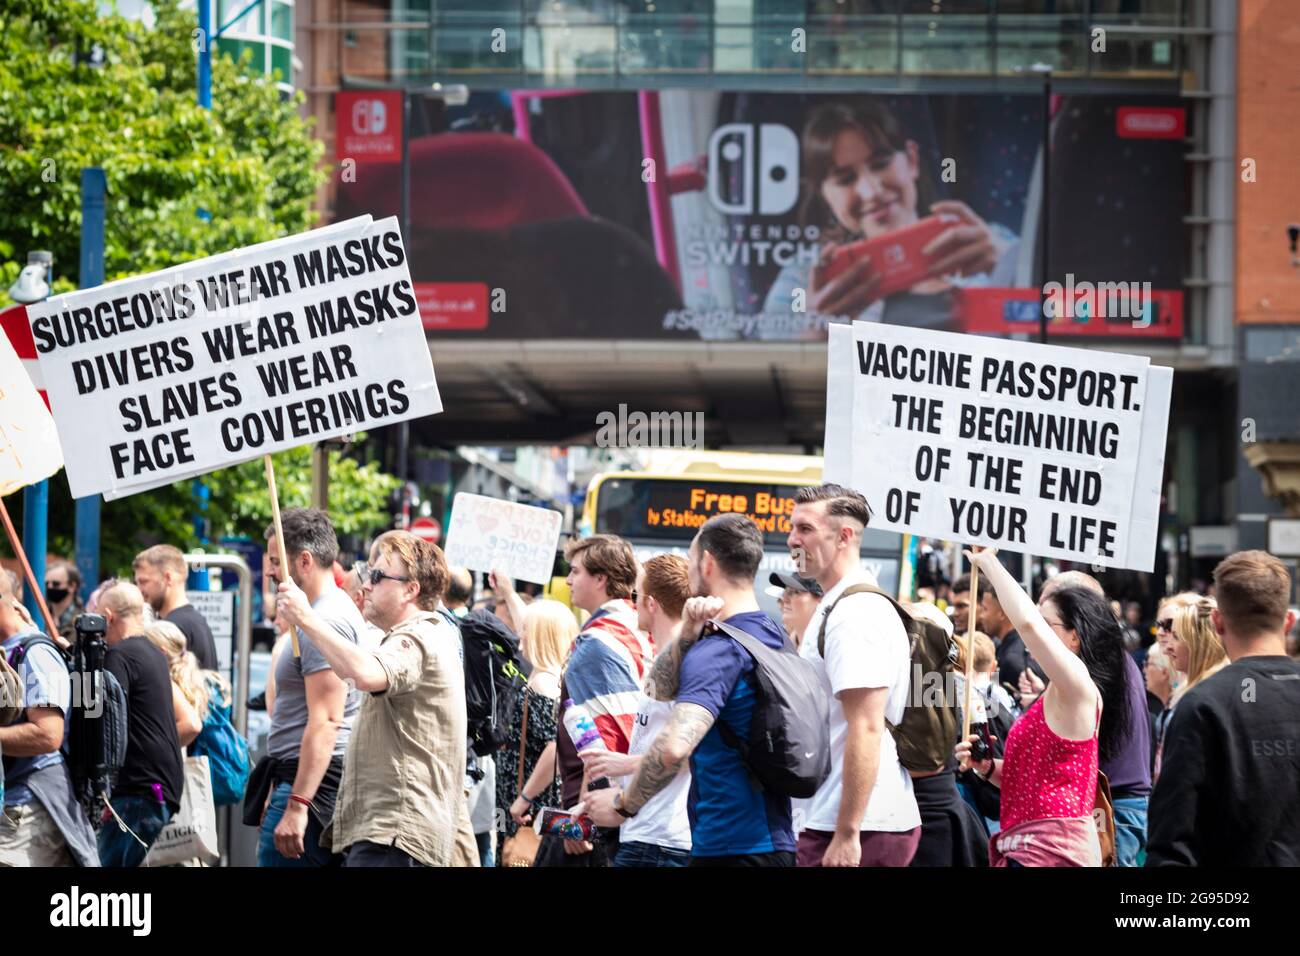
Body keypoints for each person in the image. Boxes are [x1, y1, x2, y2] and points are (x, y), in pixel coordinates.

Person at [580, 514, 795, 867]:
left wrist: (622, 807)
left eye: (692, 560)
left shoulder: (719, 650)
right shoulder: (771, 634)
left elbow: (674, 749)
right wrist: (687, 634)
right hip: (772, 838)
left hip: (729, 846)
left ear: (707, 563)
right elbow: (658, 690)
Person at [275, 531, 477, 867]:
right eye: (368, 573)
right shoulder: (413, 634)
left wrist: (306, 618)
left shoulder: (420, 633)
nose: (366, 584)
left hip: (396, 837)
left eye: (379, 576)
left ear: (411, 590)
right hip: (389, 835)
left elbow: (367, 675)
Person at [762, 100, 1018, 336]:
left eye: (881, 164)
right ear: (824, 195)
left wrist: (1010, 269)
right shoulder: (804, 276)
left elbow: (1057, 317)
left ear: (912, 161)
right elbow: (763, 369)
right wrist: (816, 331)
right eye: (845, 179)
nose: (871, 191)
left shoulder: (985, 240)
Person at [955, 550, 1133, 867]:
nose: (1036, 629)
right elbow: (1027, 781)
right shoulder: (1054, 690)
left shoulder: (1078, 685)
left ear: (1075, 636)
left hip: (1052, 855)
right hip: (1027, 851)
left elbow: (1026, 624)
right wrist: (986, 767)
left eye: (1046, 621)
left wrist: (989, 563)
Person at [785, 484, 921, 867]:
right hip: (835, 818)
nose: (793, 538)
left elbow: (866, 727)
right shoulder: (837, 604)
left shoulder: (855, 613)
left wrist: (848, 833)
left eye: (806, 529)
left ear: (844, 536)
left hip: (856, 827)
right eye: (793, 527)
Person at [1147, 551, 1300, 866]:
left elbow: (1173, 840)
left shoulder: (1203, 706)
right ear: (1288, 621)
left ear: (1217, 621)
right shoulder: (1203, 706)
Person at [257, 508, 368, 868]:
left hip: (314, 788)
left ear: (304, 561)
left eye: (276, 561)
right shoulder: (316, 613)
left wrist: (297, 804)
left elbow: (327, 720)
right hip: (304, 779)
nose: (270, 571)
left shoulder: (325, 619)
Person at [537, 534, 651, 868]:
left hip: (595, 817)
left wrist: (583, 816)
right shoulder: (638, 626)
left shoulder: (597, 642)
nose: (569, 580)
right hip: (626, 809)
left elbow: (601, 738)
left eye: (575, 571)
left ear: (600, 579)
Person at [582, 554, 694, 867]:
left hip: (661, 838)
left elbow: (688, 751)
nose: (632, 604)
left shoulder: (682, 662)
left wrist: (625, 766)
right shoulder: (668, 657)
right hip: (650, 833)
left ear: (651, 603)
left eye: (636, 595)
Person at [1035, 570, 1151, 868]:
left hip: (1112, 807)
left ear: (1077, 623)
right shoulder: (1105, 662)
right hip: (1115, 805)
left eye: (1046, 622)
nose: (1037, 634)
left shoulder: (1095, 670)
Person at [0, 570, 98, 866]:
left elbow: (48, 735)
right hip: (17, 798)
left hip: (32, 802)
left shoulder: (34, 654)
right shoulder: (11, 649)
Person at [96, 582, 185, 867]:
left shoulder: (119, 655)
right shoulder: (152, 653)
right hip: (157, 788)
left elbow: (106, 720)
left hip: (137, 791)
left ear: (108, 617)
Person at [501, 599, 577, 858]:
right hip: (529, 807)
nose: (520, 632)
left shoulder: (543, 684)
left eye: (526, 627)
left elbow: (554, 747)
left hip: (531, 810)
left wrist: (524, 797)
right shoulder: (551, 679)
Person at [444, 565, 494, 867]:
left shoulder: (444, 629)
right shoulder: (484, 629)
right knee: (482, 834)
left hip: (457, 747)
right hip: (482, 745)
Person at [133, 545, 219, 671]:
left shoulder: (174, 627)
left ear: (168, 578)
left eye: (144, 582)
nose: (139, 589)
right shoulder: (193, 621)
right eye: (137, 583)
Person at [1143, 644, 1176, 779]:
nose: (1144, 670)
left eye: (1148, 664)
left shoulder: (1177, 709)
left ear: (1164, 672)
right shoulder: (1158, 711)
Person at [765, 571, 823, 648]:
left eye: (796, 592)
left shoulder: (828, 643)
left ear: (820, 599)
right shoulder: (785, 644)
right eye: (786, 592)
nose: (784, 599)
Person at [44, 559, 82, 646]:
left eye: (56, 584)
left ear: (72, 586)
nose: (50, 587)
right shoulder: (40, 616)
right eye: (47, 584)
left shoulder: (81, 622)